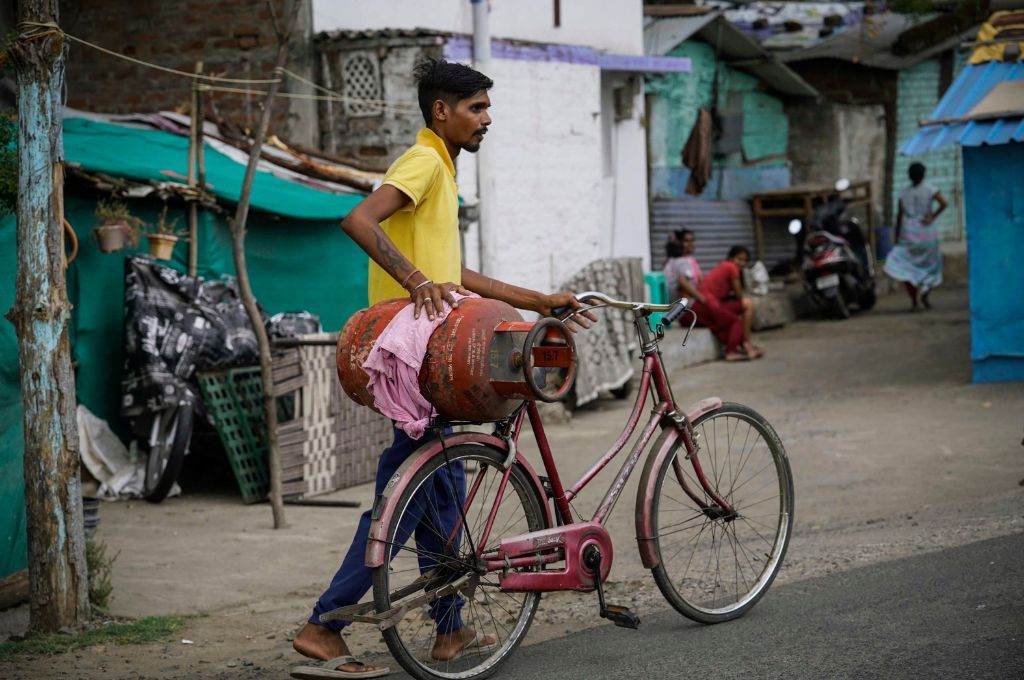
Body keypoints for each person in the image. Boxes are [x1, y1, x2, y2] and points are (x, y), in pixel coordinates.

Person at [291, 58, 594, 678]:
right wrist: (415, 281)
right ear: (441, 112)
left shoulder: (442, 169)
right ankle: (324, 624)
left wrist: (538, 300)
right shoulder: (425, 161)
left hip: (426, 359)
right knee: (405, 501)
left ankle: (450, 632)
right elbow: (358, 219)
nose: (487, 119)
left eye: (486, 107)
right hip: (413, 358)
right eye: (476, 108)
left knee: (440, 490)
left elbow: (454, 277)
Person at [884, 162, 947, 311]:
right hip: (927, 232)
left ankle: (914, 300)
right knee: (931, 265)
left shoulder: (903, 193)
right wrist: (932, 216)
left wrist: (897, 236)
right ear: (923, 174)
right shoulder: (930, 189)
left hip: (908, 232)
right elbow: (944, 203)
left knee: (907, 267)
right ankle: (925, 291)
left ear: (909, 175)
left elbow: (899, 217)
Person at [691, 246, 764, 361]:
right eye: (739, 259)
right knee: (739, 316)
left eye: (744, 261)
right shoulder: (731, 267)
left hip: (706, 305)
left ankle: (745, 344)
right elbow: (739, 293)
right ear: (731, 258)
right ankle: (741, 347)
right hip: (709, 304)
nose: (742, 263)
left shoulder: (723, 266)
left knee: (739, 314)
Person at [662, 229, 703, 304]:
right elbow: (683, 283)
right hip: (681, 304)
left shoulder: (691, 260)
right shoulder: (679, 261)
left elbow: (700, 280)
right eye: (686, 241)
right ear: (679, 243)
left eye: (692, 240)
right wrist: (701, 299)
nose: (690, 244)